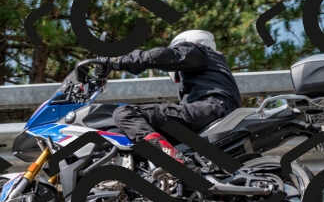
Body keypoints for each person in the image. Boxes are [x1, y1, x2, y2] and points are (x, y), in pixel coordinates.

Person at [96, 29, 241, 161]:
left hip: (210, 108)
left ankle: (167, 159)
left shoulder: (199, 51)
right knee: (119, 133)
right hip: (212, 112)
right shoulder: (209, 66)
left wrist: (117, 61)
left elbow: (163, 55)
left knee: (126, 113)